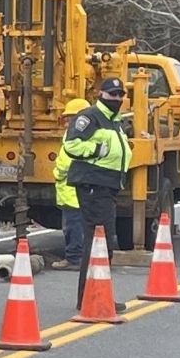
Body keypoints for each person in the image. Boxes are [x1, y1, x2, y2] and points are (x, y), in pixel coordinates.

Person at [63, 77, 131, 311]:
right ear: (101, 94)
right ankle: (93, 297)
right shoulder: (90, 116)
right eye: (113, 94)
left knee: (100, 241)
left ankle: (92, 296)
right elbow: (71, 145)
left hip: (107, 185)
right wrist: (96, 150)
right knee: (100, 242)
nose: (117, 98)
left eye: (120, 94)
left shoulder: (114, 121)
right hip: (94, 184)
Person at [51, 98, 90, 270]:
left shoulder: (76, 133)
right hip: (76, 188)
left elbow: (67, 160)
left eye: (70, 117)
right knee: (78, 224)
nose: (67, 120)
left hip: (71, 189)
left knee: (72, 226)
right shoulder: (90, 132)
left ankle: (74, 258)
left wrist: (58, 173)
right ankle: (80, 256)